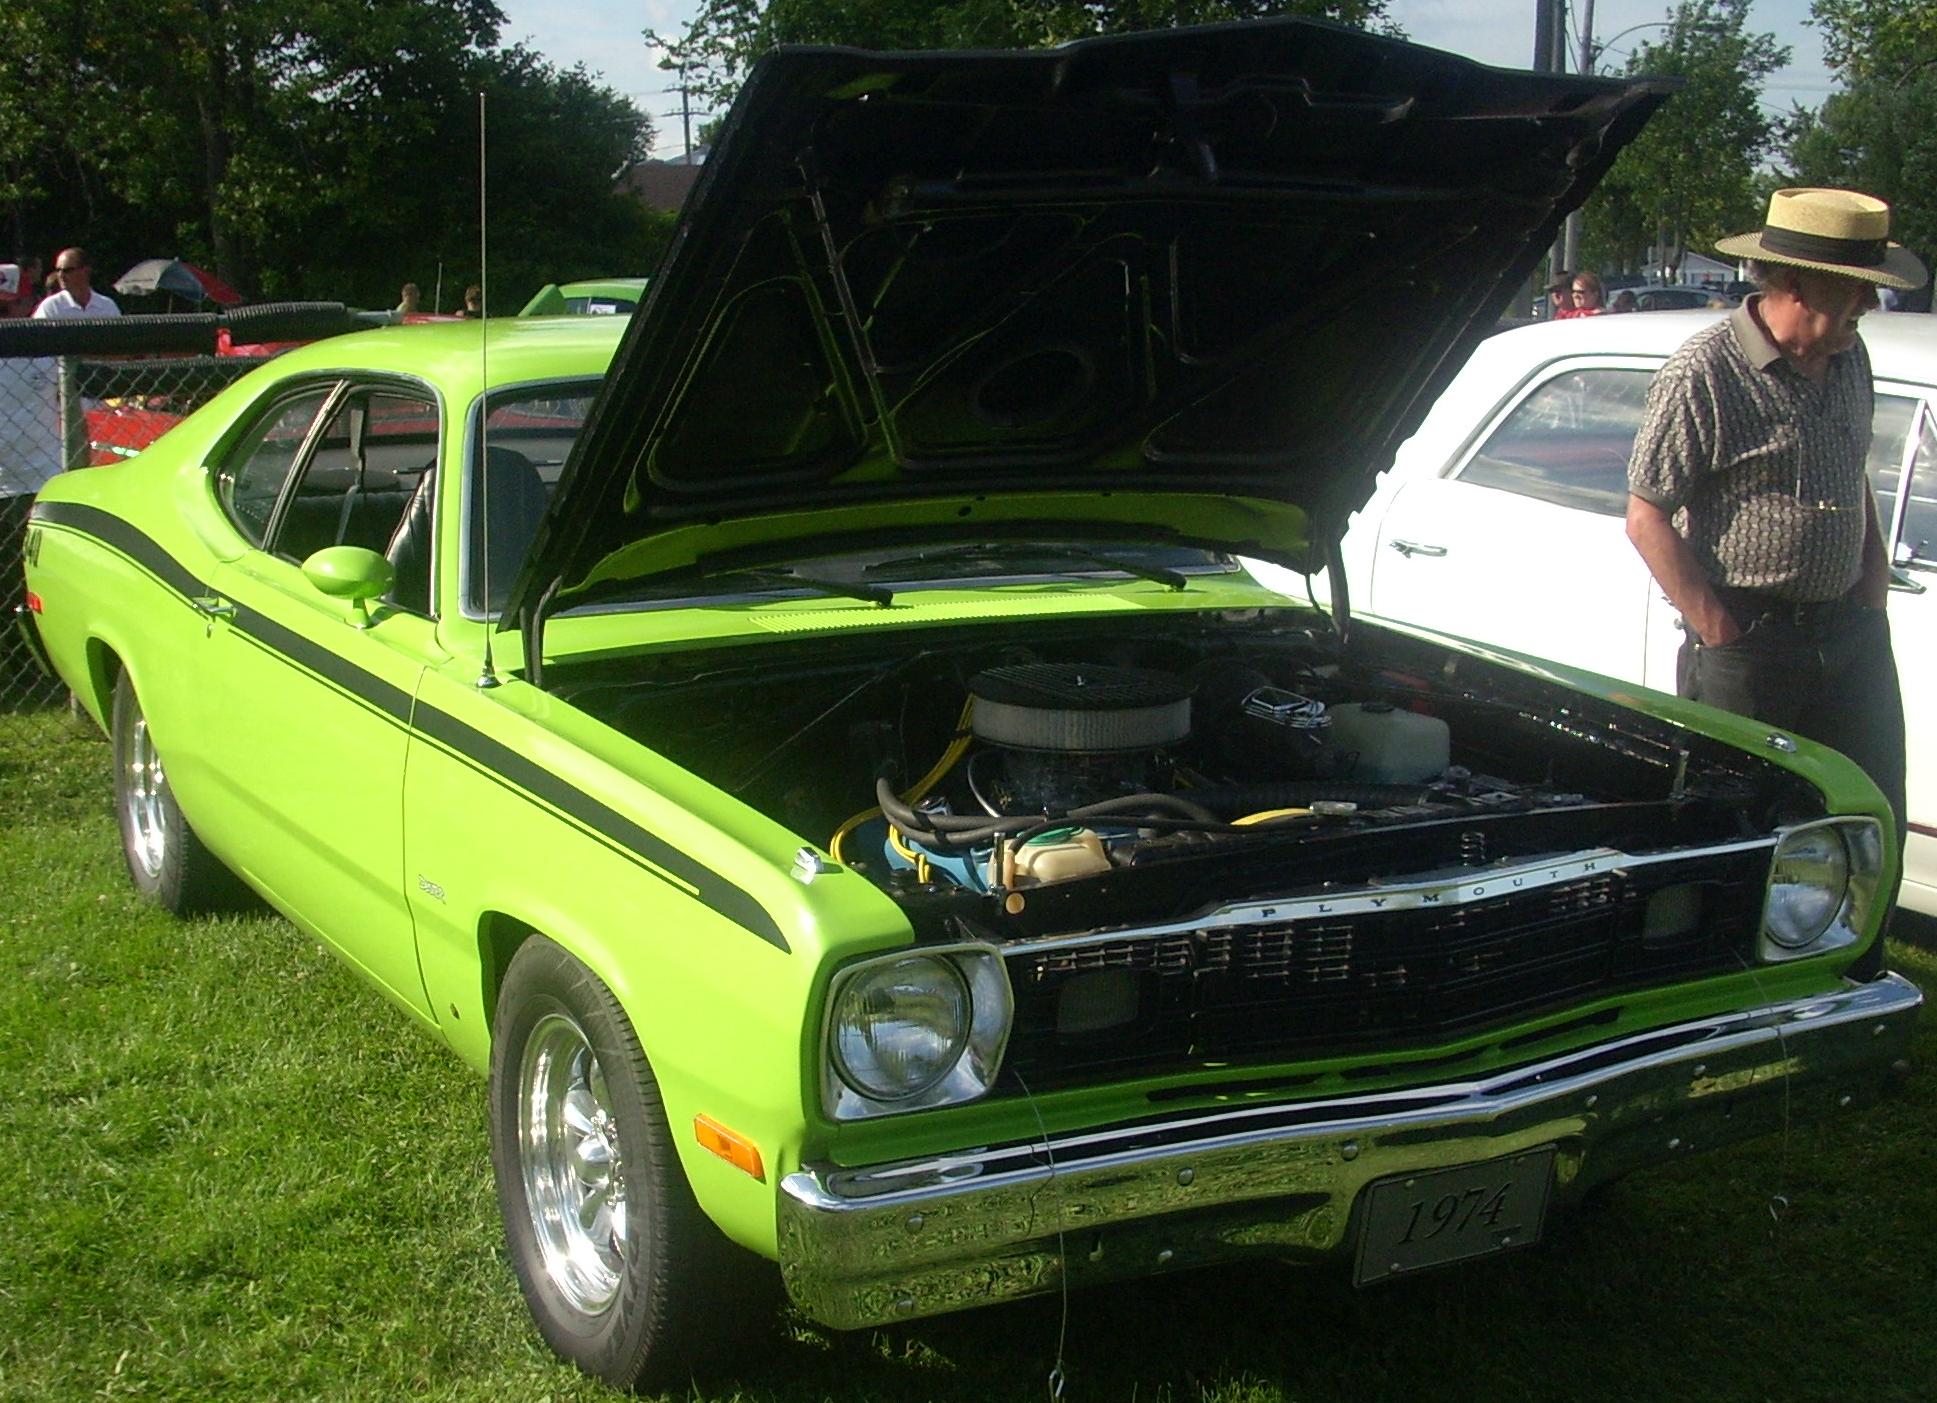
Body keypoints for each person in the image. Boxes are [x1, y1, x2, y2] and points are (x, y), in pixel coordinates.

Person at [1625, 187, 1922, 871]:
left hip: (1847, 634)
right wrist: (1719, 631)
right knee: (1733, 831)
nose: (1870, 306)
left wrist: (1870, 591)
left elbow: (1853, 473)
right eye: (1856, 289)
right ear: (1792, 282)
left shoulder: (1850, 358)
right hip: (1749, 642)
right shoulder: (1704, 370)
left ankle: (1855, 966)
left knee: (1867, 818)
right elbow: (1645, 516)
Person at [32, 248, 120, 318]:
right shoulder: (51, 307)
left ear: (85, 271)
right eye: (58, 270)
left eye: (67, 270)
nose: (61, 275)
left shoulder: (107, 307)